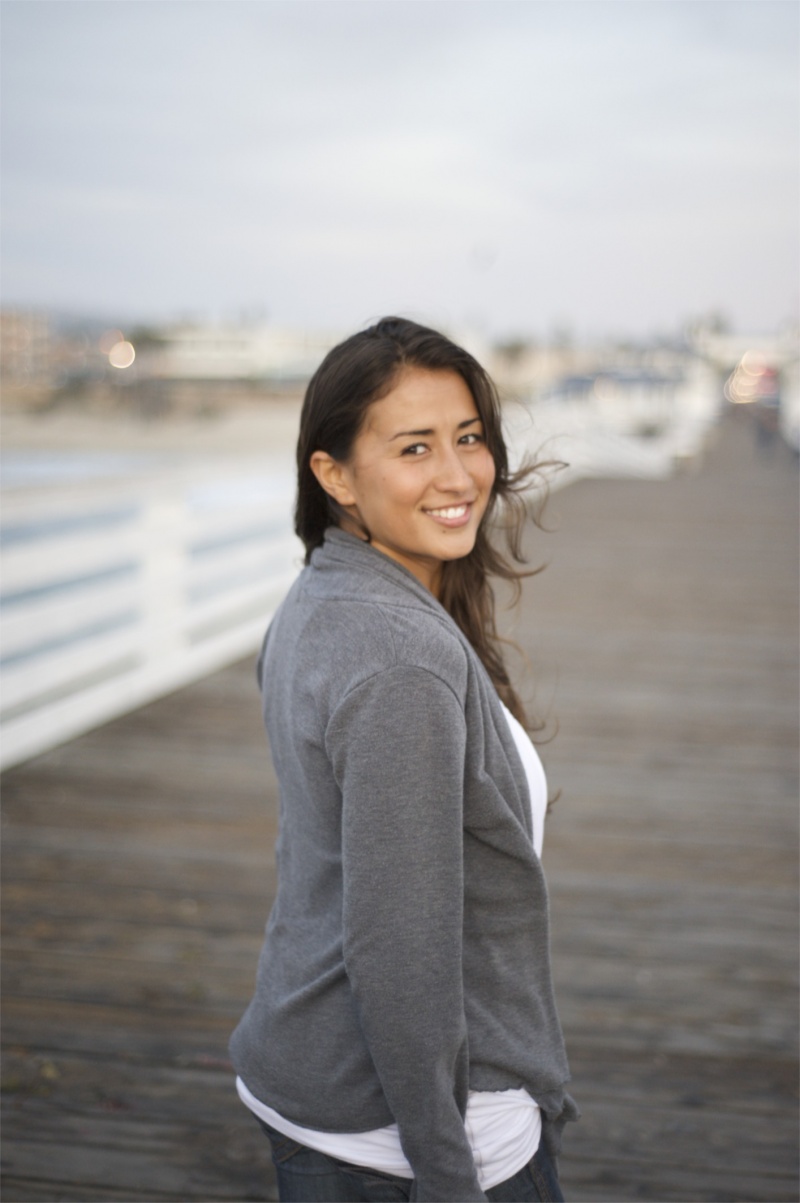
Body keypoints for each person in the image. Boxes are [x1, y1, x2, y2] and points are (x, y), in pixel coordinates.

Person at [230, 317, 577, 1202]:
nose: (459, 475)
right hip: (415, 1132)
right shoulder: (398, 662)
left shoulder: (321, 594)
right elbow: (401, 947)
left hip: (313, 1074)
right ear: (335, 474)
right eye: (414, 448)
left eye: (468, 438)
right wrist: (447, 1169)